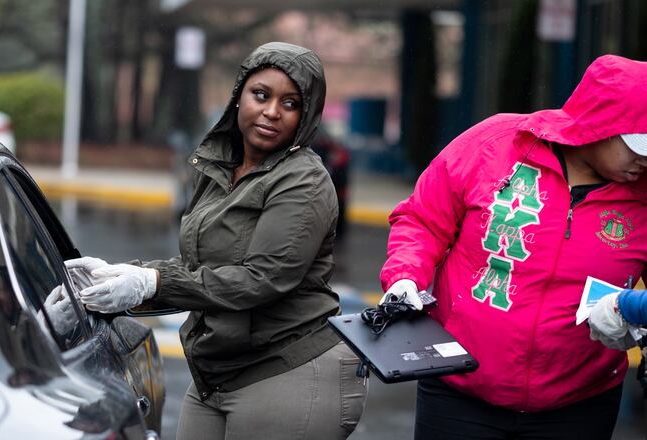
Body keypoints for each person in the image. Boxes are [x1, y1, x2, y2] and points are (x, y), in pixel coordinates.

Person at [67, 42, 367, 440]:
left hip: (290, 369)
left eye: (290, 103)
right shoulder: (221, 166)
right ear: (239, 95)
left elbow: (262, 278)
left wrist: (154, 284)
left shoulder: (304, 181)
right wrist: (127, 274)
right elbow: (201, 263)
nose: (272, 111)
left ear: (306, 115)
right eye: (261, 95)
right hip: (218, 372)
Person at [378, 54, 647, 439]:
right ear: (598, 123)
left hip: (579, 406)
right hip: (457, 392)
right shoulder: (496, 144)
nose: (644, 159)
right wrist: (405, 276)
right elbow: (423, 220)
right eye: (637, 144)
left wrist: (635, 315)